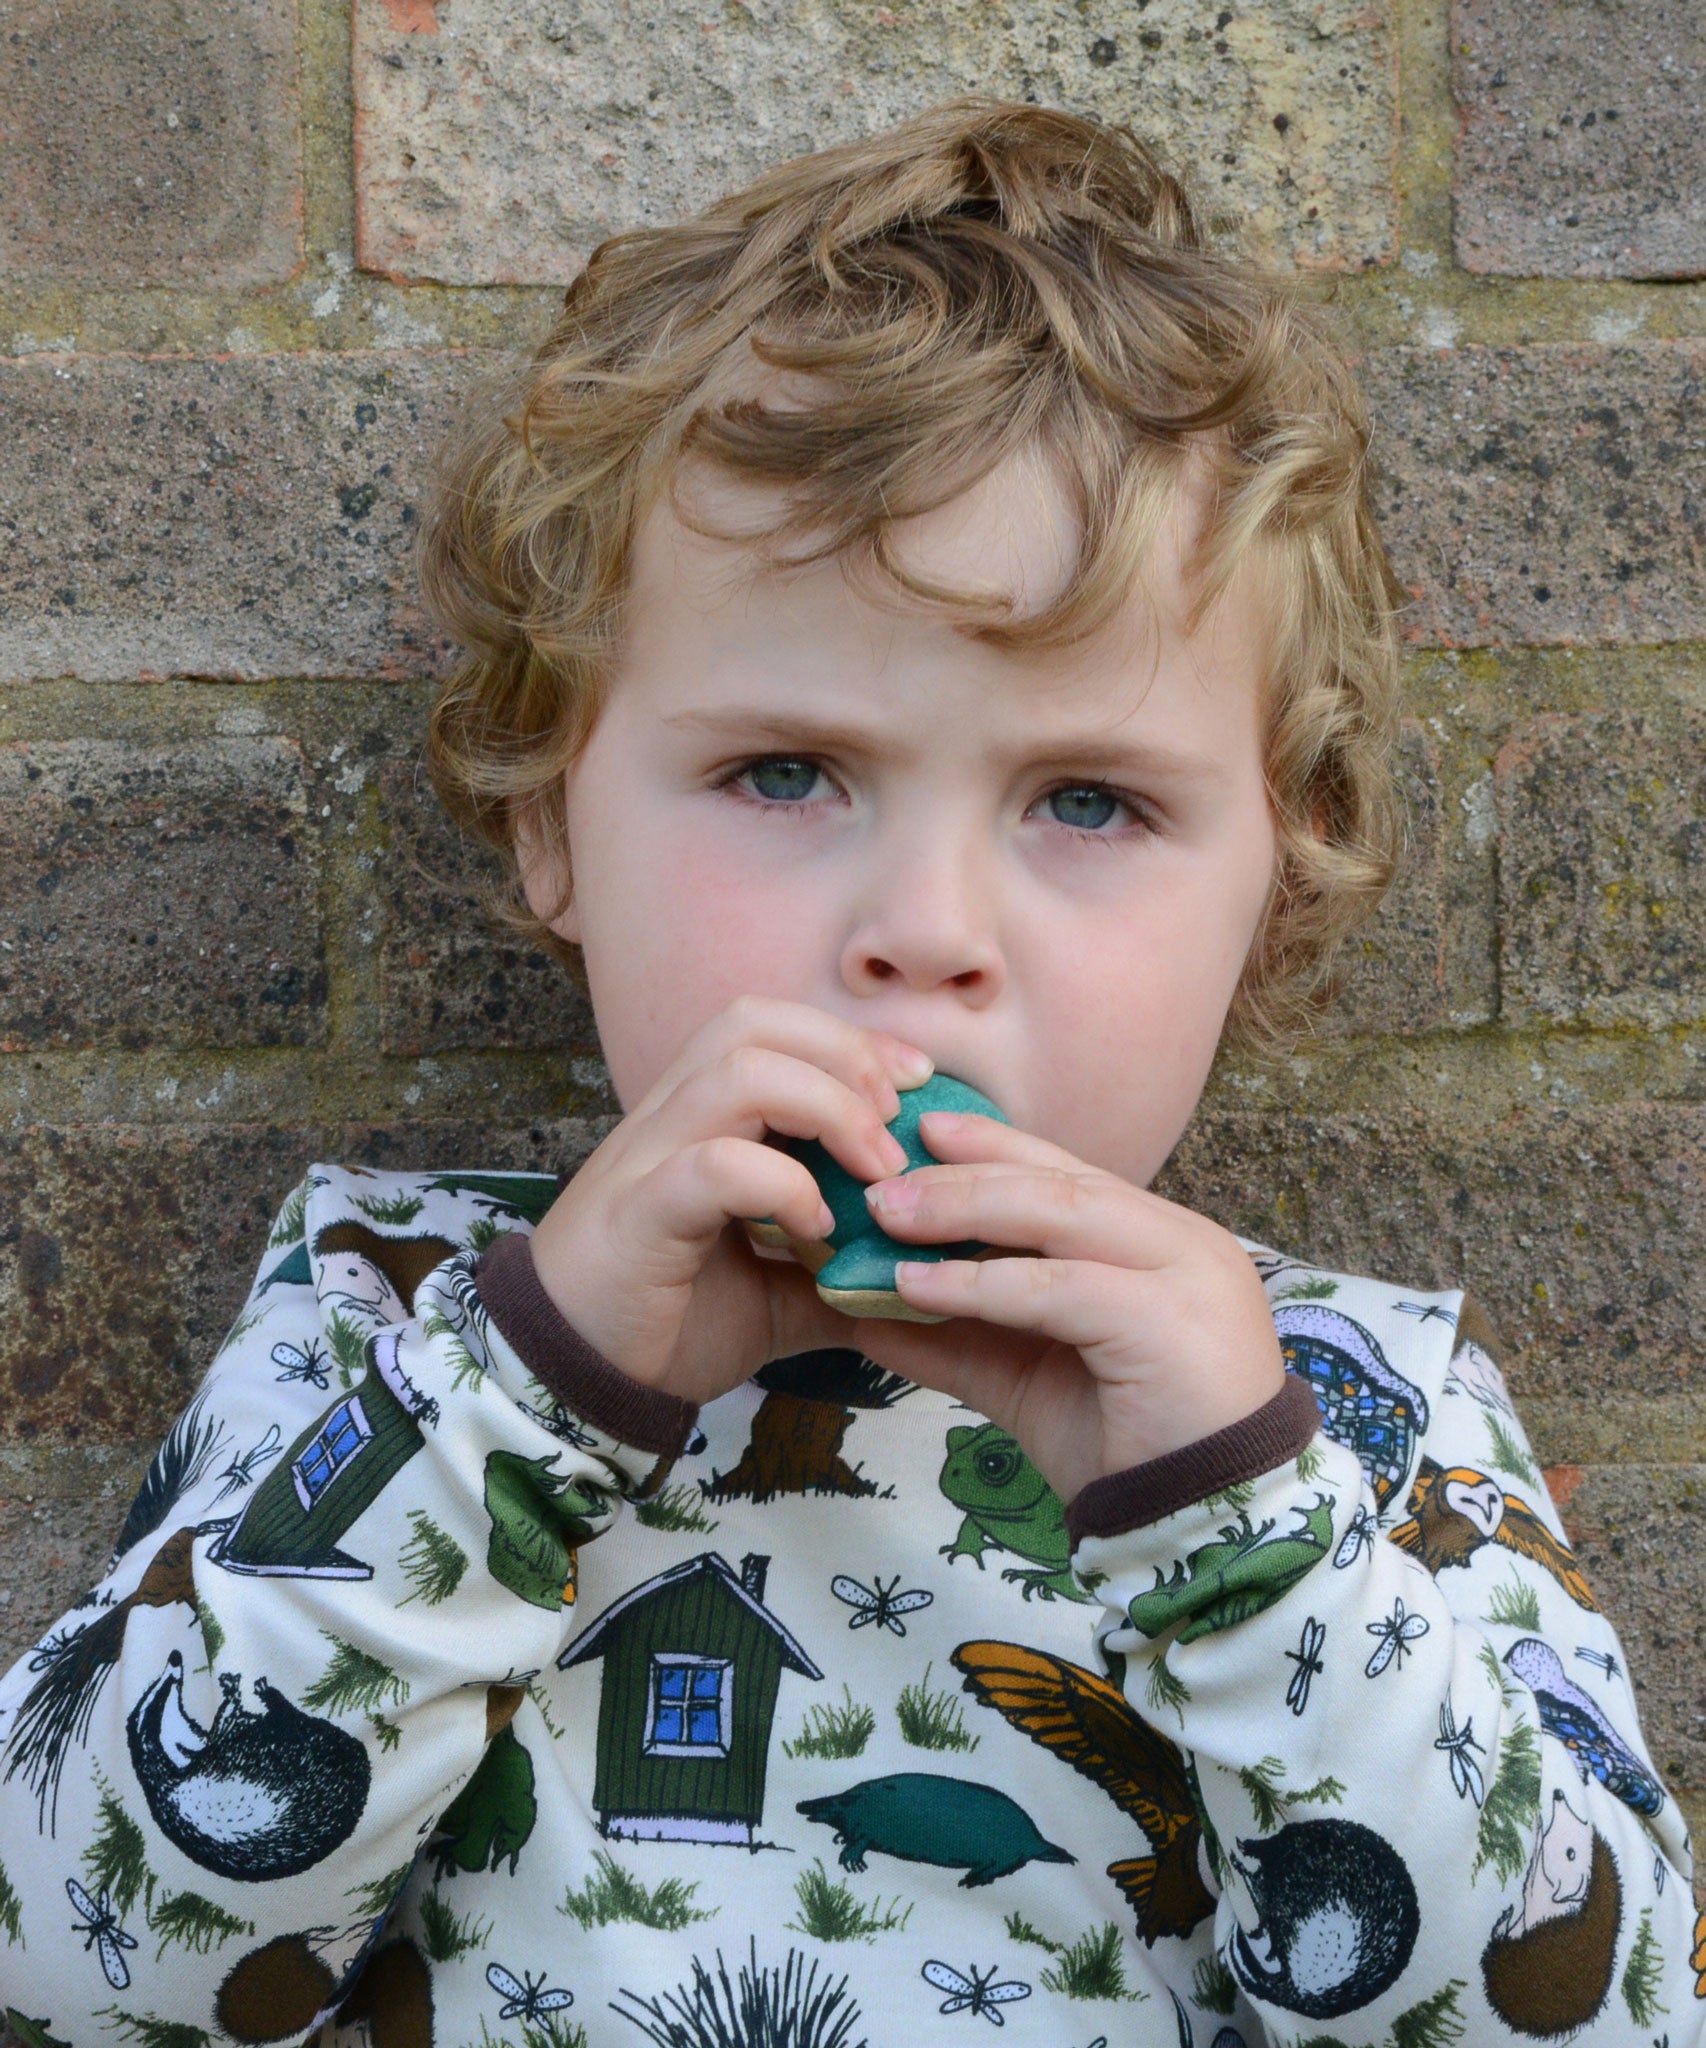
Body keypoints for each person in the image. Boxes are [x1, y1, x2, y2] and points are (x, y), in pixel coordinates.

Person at [0, 98, 1698, 2048]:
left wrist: (1244, 1525)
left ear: (1276, 874)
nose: (922, 926)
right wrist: (525, 1397)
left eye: (1087, 798)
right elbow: (71, 1962)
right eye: (785, 773)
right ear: (558, 815)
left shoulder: (1363, 1423)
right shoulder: (390, 1334)